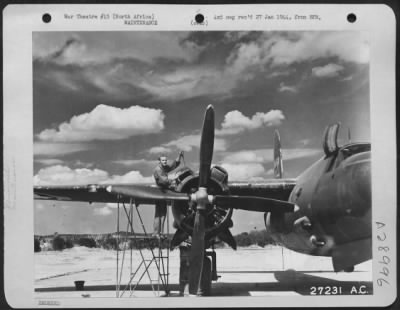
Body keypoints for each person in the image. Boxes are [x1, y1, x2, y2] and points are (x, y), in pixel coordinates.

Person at [153, 151, 184, 237]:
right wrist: (174, 180)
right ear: (159, 161)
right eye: (163, 161)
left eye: (166, 160)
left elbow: (172, 166)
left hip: (163, 192)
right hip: (160, 192)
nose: (165, 162)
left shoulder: (164, 167)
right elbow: (164, 181)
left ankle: (160, 233)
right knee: (159, 213)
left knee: (163, 213)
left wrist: (179, 156)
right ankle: (156, 233)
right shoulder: (158, 169)